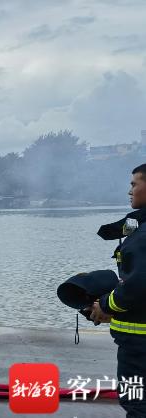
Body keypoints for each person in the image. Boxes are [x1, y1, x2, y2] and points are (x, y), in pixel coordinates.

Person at [89, 163, 146, 417]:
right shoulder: (138, 226)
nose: (129, 191)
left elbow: (137, 284)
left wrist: (106, 305)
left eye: (134, 184)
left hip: (138, 347)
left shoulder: (143, 236)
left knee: (137, 404)